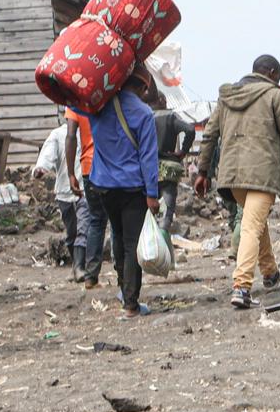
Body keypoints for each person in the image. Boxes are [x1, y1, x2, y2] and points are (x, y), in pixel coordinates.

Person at [194, 55, 280, 309]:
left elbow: (209, 135)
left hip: (233, 176)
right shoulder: (274, 96)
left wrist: (202, 171)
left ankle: (270, 273)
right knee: (251, 226)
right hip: (262, 174)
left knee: (253, 220)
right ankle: (242, 287)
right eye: (277, 77)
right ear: (271, 73)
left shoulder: (227, 97)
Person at [89, 69, 163, 317]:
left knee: (118, 237)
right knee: (132, 243)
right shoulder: (143, 113)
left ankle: (124, 290)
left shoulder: (98, 106)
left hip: (104, 186)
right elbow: (148, 157)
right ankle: (130, 303)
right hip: (132, 187)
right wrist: (152, 194)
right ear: (143, 87)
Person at [31, 117, 84, 266]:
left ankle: (83, 267)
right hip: (65, 192)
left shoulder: (90, 131)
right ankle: (77, 264)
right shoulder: (58, 135)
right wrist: (41, 168)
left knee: (84, 229)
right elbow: (47, 154)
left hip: (86, 191)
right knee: (73, 231)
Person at [69, 109, 110, 287]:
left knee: (96, 220)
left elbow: (71, 136)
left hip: (88, 167)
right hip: (111, 164)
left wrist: (71, 173)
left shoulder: (74, 100)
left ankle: (91, 276)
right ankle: (123, 273)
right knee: (116, 220)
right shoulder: (108, 93)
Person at [149, 87, 197, 233]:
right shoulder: (170, 117)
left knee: (148, 209)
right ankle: (163, 236)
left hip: (148, 169)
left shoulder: (145, 117)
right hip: (169, 169)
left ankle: (150, 241)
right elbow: (190, 129)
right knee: (168, 209)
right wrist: (182, 152)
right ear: (162, 100)